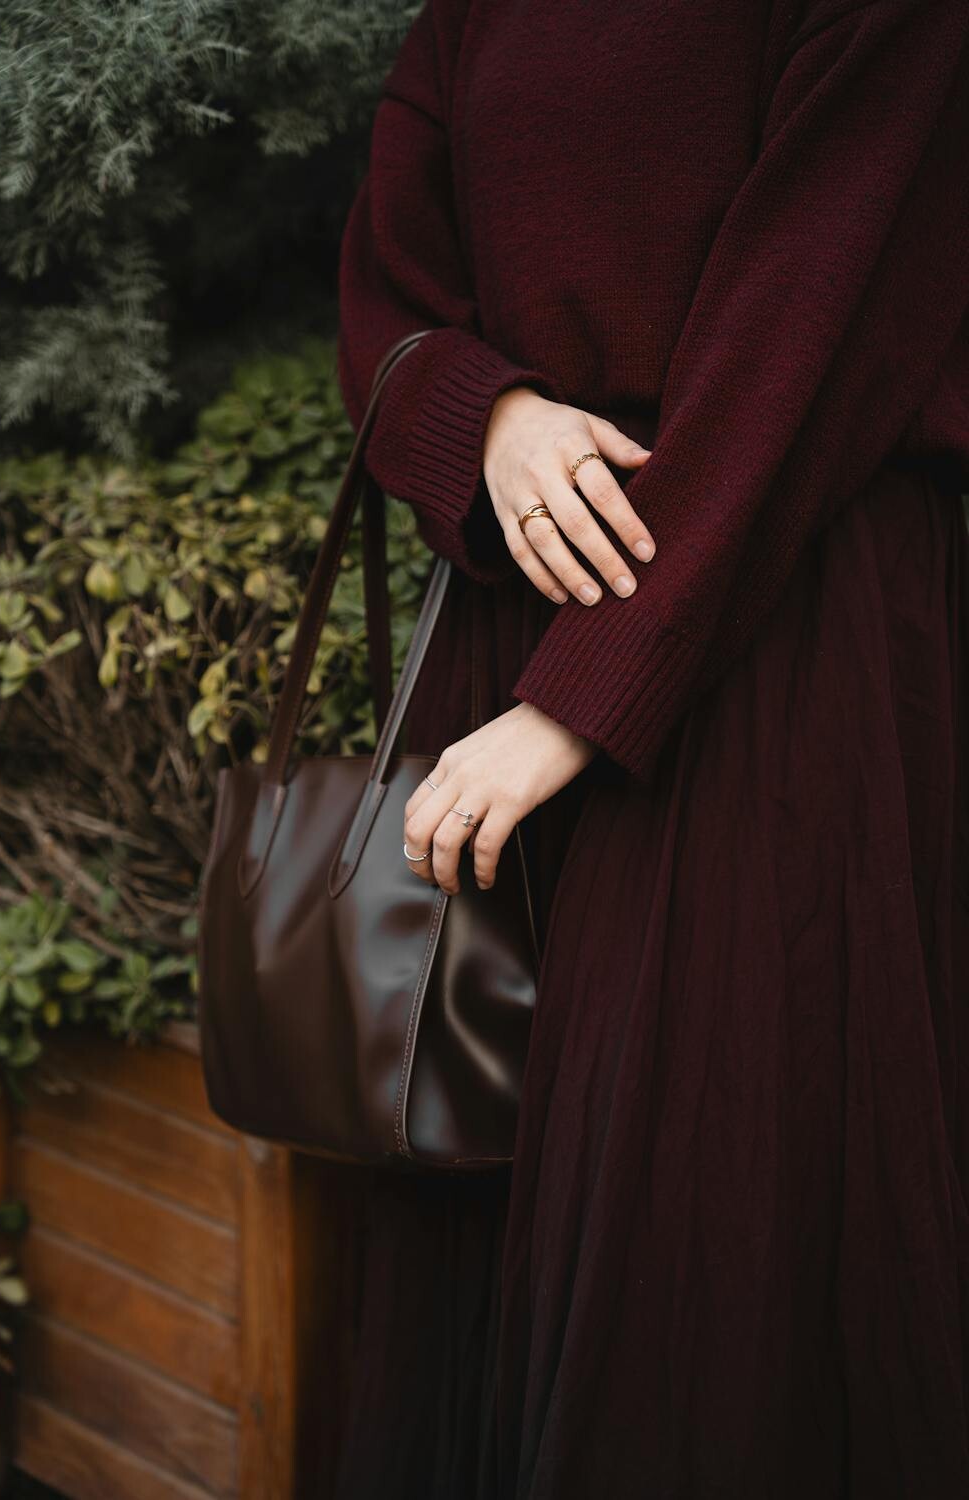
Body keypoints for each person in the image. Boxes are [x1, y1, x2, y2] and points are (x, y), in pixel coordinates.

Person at [331, 1, 969, 1495]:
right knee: (483, 1197)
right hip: (520, 607)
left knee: (714, 1239)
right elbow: (385, 288)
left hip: (780, 648)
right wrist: (490, 420)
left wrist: (582, 699)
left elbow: (818, 328)